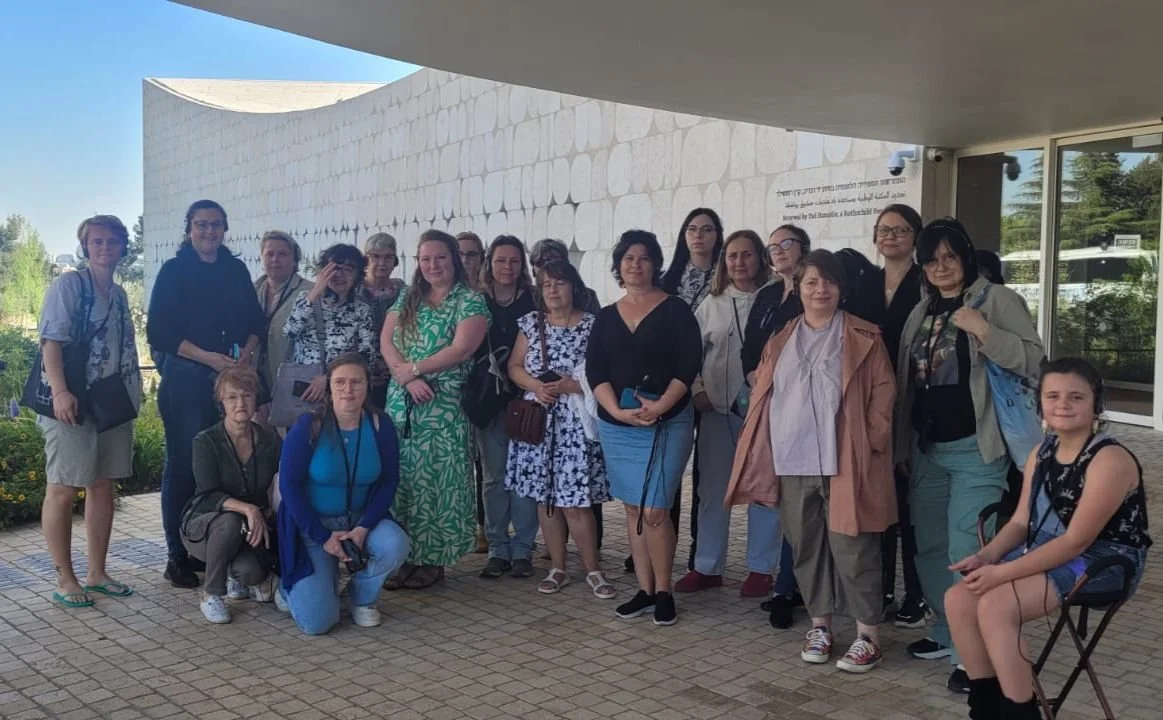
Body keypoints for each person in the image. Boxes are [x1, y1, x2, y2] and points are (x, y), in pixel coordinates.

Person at [945, 357, 1150, 720]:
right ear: (1039, 402)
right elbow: (1022, 521)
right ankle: (986, 707)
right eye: (1053, 396)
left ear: (1095, 403)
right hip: (1048, 548)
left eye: (1076, 397)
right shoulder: (1042, 452)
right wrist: (987, 558)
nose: (1063, 405)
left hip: (1104, 561)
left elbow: (1076, 543)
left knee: (995, 606)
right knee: (959, 598)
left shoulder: (1109, 459)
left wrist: (1002, 575)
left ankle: (1021, 714)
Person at [894, 218, 1045, 693]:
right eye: (931, 259)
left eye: (949, 256)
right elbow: (905, 388)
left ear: (964, 256)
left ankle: (973, 654)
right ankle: (945, 630)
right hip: (927, 450)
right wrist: (902, 447)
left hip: (977, 449)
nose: (941, 266)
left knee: (969, 548)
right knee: (932, 548)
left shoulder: (996, 301)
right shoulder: (920, 312)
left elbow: (1035, 361)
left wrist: (983, 331)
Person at [728, 249, 897, 673]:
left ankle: (867, 635)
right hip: (793, 456)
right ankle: (820, 626)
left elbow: (883, 395)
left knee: (854, 545)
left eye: (828, 282)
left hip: (846, 458)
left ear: (841, 288)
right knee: (806, 544)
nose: (821, 289)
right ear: (798, 289)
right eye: (811, 282)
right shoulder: (782, 338)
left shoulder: (863, 335)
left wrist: (871, 442)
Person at [148, 200, 265, 588]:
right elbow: (160, 333)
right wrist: (209, 359)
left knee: (226, 467)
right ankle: (177, 555)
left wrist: (243, 359)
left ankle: (213, 547)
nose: (209, 231)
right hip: (187, 381)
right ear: (189, 229)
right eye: (202, 225)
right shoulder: (174, 271)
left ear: (225, 229)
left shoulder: (235, 270)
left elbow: (255, 323)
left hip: (230, 382)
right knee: (183, 467)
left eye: (216, 225)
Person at [587, 230, 701, 626]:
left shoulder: (676, 310)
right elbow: (595, 370)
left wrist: (661, 407)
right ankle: (645, 589)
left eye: (644, 257)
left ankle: (665, 590)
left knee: (655, 509)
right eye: (628, 258)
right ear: (618, 265)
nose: (635, 264)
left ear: (656, 264)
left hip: (667, 422)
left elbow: (689, 364)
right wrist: (616, 411)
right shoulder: (605, 316)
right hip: (619, 425)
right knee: (634, 507)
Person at [33, 215, 142, 607]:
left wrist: (133, 397)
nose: (104, 247)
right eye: (96, 241)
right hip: (72, 400)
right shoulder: (69, 286)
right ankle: (65, 577)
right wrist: (60, 392)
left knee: (102, 485)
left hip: (109, 401)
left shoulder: (119, 294)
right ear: (85, 247)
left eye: (112, 241)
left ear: (123, 248)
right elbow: (52, 343)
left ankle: (97, 572)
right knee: (63, 487)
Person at [381, 229, 489, 589]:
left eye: (440, 257)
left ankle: (433, 560)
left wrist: (415, 370)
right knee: (403, 483)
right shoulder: (408, 297)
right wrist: (406, 377)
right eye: (426, 259)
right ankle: (402, 558)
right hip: (403, 405)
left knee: (437, 485)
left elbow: (460, 349)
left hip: (443, 409)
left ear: (454, 260)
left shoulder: (469, 301)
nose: (432, 265)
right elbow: (386, 339)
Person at [678, 230, 782, 597]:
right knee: (711, 490)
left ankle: (761, 568)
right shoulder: (712, 303)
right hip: (717, 410)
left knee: (764, 490)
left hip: (763, 412)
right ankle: (707, 566)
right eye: (733, 256)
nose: (739, 262)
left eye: (747, 255)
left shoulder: (776, 299)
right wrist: (698, 390)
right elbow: (689, 353)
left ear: (760, 258)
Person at [275, 353, 411, 634]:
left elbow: (389, 481)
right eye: (339, 382)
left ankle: (360, 598)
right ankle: (291, 590)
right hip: (314, 527)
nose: (347, 390)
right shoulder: (307, 427)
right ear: (328, 388)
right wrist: (323, 537)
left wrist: (363, 528)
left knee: (395, 545)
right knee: (317, 624)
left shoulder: (380, 425)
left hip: (361, 521)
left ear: (367, 386)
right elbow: (289, 486)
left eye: (355, 382)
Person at [505, 259, 614, 598]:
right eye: (547, 284)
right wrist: (536, 386)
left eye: (560, 283)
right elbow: (514, 366)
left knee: (576, 502)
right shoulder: (530, 323)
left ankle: (592, 569)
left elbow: (603, 373)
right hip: (539, 420)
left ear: (574, 287)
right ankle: (557, 567)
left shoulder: (594, 325)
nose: (553, 289)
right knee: (547, 499)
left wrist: (573, 386)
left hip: (574, 424)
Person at [741, 224, 809, 629]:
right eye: (773, 246)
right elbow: (751, 346)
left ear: (803, 248)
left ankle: (791, 586)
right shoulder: (767, 294)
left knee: (800, 497)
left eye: (787, 243)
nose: (779, 251)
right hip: (767, 403)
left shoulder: (813, 289)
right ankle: (788, 582)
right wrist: (755, 377)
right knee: (778, 494)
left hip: (803, 407)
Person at [181, 368, 281, 624]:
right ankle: (211, 594)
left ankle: (236, 576)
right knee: (230, 520)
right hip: (205, 524)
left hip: (249, 528)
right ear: (221, 402)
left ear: (256, 398)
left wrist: (267, 512)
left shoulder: (270, 439)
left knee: (251, 572)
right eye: (232, 397)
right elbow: (208, 493)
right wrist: (249, 508)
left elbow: (279, 486)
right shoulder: (206, 441)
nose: (240, 403)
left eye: (246, 395)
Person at [656, 207, 725, 574]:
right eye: (692, 229)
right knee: (666, 472)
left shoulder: (729, 278)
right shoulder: (667, 281)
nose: (699, 236)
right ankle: (656, 545)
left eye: (708, 229)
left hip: (715, 389)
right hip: (671, 387)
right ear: (684, 236)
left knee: (707, 478)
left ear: (718, 235)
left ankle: (702, 558)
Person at [871, 204, 928, 629]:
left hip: (914, 405)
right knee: (879, 502)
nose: (890, 236)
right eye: (883, 229)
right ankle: (881, 589)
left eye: (900, 229)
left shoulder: (926, 283)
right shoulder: (864, 284)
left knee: (911, 506)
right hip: (872, 406)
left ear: (915, 236)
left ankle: (917, 593)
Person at [473, 235, 540, 579]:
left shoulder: (533, 300)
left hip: (525, 399)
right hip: (488, 401)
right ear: (490, 263)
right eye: (501, 260)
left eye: (514, 261)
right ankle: (498, 547)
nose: (507, 267)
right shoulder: (476, 302)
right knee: (495, 476)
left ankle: (524, 548)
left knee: (525, 476)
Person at [282, 243, 377, 407]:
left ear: (358, 275)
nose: (339, 275)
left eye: (348, 270)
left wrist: (328, 378)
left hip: (342, 390)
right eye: (334, 268)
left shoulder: (361, 309)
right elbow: (290, 332)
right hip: (304, 388)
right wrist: (314, 293)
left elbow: (367, 355)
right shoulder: (306, 298)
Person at [253, 230, 314, 412]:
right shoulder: (253, 290)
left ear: (294, 259)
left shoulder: (310, 292)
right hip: (257, 376)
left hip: (293, 377)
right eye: (269, 254)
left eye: (282, 254)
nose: (275, 259)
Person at [360, 233, 406, 408]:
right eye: (376, 257)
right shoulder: (354, 292)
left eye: (388, 257)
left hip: (397, 370)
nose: (382, 262)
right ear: (366, 260)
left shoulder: (404, 292)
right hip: (362, 372)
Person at [530, 237, 602, 314]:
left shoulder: (588, 297)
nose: (547, 268)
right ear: (533, 269)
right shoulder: (526, 296)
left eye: (554, 261)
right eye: (540, 263)